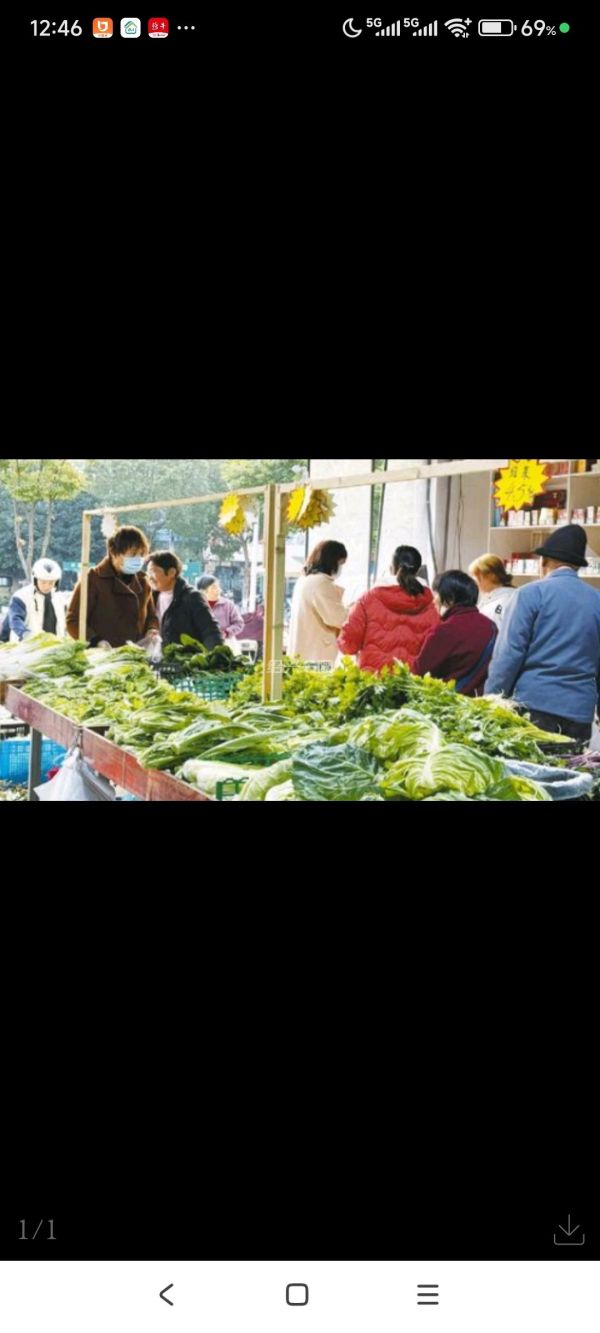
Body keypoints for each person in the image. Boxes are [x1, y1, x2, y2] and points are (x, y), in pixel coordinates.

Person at [486, 525, 600, 743]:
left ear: (543, 562)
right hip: (579, 711)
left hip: (534, 705)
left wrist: (491, 700)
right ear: (577, 566)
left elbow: (509, 655)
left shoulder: (530, 594)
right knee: (573, 765)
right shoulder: (597, 600)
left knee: (530, 765)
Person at [338, 546, 439, 674]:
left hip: (374, 679)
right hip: (414, 682)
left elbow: (347, 644)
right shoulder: (432, 604)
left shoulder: (368, 599)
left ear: (391, 568)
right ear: (418, 570)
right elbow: (437, 648)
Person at [67, 525, 159, 648]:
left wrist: (152, 629)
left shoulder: (143, 581)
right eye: (132, 554)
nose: (138, 560)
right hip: (101, 655)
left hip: (135, 653)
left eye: (141, 554)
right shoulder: (93, 579)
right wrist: (95, 641)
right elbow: (73, 620)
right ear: (113, 552)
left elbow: (151, 616)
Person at [414, 570, 498, 696]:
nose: (433, 600)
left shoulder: (445, 631)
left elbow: (419, 673)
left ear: (450, 598)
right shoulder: (491, 626)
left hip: (450, 703)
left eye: (437, 594)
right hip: (483, 701)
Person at [146, 552, 223, 649]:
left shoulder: (192, 597)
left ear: (171, 572)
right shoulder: (151, 597)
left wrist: (215, 654)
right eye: (148, 573)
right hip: (158, 657)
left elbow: (210, 631)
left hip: (186, 657)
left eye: (152, 572)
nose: (149, 577)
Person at [288, 541, 349, 664]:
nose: (340, 568)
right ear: (332, 561)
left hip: (304, 652)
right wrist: (354, 608)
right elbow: (337, 618)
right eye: (340, 563)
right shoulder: (321, 583)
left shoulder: (305, 580)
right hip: (316, 656)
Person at [8, 559, 66, 641]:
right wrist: (25, 634)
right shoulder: (21, 596)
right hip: (27, 645)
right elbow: (15, 620)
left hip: (54, 645)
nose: (47, 586)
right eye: (43, 582)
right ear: (35, 580)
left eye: (51, 583)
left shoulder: (60, 599)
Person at [468, 553, 517, 632]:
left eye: (477, 577)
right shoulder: (488, 599)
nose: (475, 582)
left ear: (491, 576)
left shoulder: (508, 600)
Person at [197, 577, 245, 645]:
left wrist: (226, 633)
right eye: (214, 587)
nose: (219, 589)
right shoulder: (196, 605)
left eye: (218, 586)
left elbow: (239, 623)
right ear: (203, 591)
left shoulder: (228, 605)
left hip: (226, 643)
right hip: (202, 643)